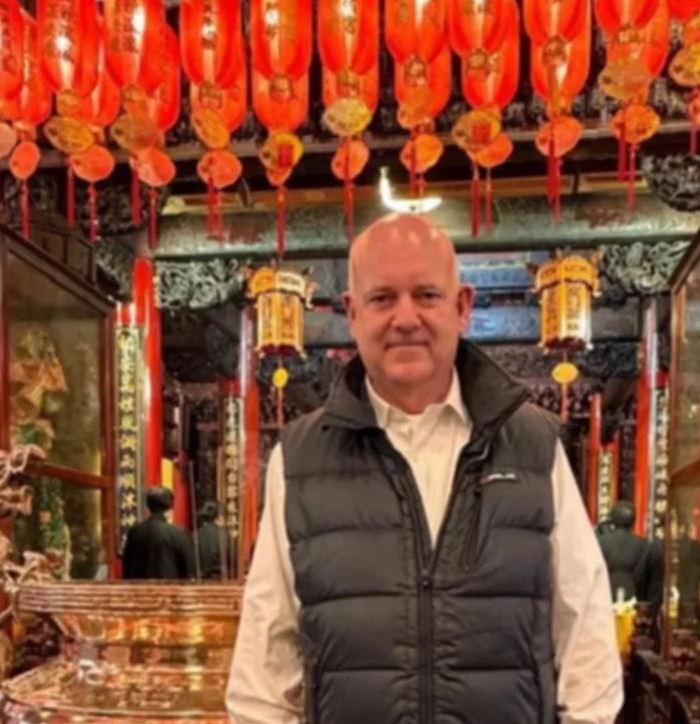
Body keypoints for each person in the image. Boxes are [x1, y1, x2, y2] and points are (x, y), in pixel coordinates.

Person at [227, 213, 622, 724]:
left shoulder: (532, 445)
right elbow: (265, 662)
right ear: (352, 313)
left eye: (426, 295)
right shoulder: (301, 458)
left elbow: (585, 629)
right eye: (382, 298)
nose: (406, 318)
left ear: (462, 306)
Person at [121, 486, 193, 580]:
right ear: (169, 508)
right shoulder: (178, 534)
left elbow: (127, 570)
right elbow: (187, 571)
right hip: (169, 587)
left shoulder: (135, 532)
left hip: (139, 587)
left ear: (149, 507)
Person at [596, 502, 646, 602]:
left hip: (605, 592)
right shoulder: (641, 545)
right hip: (632, 593)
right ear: (633, 521)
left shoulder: (601, 541)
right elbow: (642, 574)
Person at [193, 501, 228, 580]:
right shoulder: (225, 536)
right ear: (220, 518)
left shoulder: (194, 535)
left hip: (199, 581)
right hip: (221, 580)